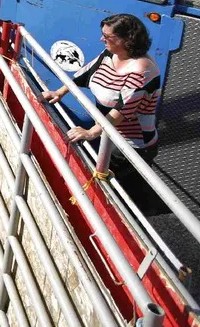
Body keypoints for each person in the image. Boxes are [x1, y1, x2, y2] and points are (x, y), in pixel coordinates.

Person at [42, 14, 167, 215]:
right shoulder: (110, 54)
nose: (102, 39)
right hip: (109, 134)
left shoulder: (142, 70)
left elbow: (122, 110)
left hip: (131, 144)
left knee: (105, 182)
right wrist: (59, 92)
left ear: (127, 40)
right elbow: (83, 75)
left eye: (107, 36)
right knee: (128, 187)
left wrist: (91, 132)